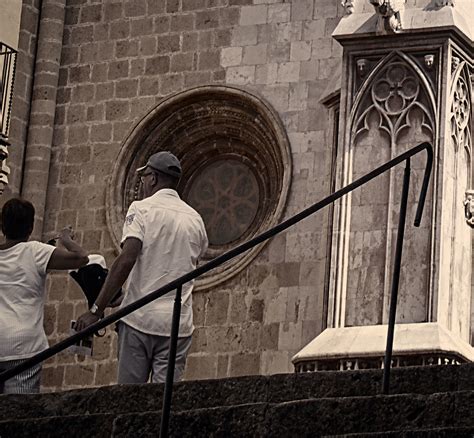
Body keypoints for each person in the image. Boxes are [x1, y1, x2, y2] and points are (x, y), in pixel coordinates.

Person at [75, 151, 208, 384]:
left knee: (130, 398)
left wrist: (97, 310)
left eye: (144, 176)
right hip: (178, 324)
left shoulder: (141, 209)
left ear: (153, 178)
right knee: (162, 403)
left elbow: (127, 259)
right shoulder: (195, 218)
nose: (143, 182)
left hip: (140, 319)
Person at [0, 198, 89, 394]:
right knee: (18, 415)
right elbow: (82, 258)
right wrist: (66, 239)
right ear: (31, 227)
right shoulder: (35, 251)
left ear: (2, 225)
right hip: (24, 347)